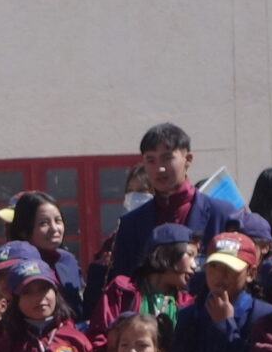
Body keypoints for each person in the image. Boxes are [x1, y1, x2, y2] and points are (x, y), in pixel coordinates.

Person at [95, 124, 245, 293]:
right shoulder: (131, 224)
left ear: (188, 159)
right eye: (150, 160)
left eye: (167, 158)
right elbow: (122, 286)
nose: (159, 168)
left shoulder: (221, 214)